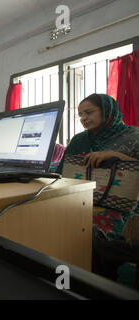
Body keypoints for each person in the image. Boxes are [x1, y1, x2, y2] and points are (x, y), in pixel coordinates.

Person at [56, 93, 139, 283]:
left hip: (121, 205)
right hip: (81, 198)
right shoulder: (79, 140)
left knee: (89, 230)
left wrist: (115, 155)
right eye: (80, 115)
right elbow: (61, 172)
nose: (84, 118)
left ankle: (95, 283)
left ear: (107, 111)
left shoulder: (134, 136)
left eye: (89, 112)